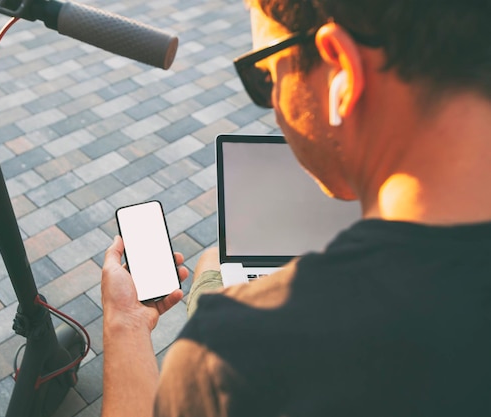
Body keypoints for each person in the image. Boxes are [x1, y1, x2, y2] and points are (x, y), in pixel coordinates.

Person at [100, 0, 491, 416]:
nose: (274, 106)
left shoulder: (230, 359)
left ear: (342, 68)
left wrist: (125, 322)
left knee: (214, 259)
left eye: (266, 74)